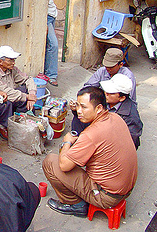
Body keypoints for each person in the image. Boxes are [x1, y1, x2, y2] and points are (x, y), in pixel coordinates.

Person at [43, 86, 138, 217]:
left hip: (107, 197)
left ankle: (75, 205)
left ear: (99, 108)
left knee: (50, 161)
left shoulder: (91, 134)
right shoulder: (116, 118)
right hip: (125, 190)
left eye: (84, 107)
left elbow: (64, 165)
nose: (79, 111)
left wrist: (67, 142)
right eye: (77, 106)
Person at [71, 47, 137, 134]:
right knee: (80, 115)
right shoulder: (102, 71)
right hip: (106, 106)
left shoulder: (127, 78)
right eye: (106, 66)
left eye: (111, 67)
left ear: (120, 64)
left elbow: (129, 101)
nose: (108, 69)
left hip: (116, 110)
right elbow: (88, 87)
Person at [0, 45, 37, 112]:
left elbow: (27, 79)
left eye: (14, 60)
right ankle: (5, 122)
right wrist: (27, 97)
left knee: (24, 89)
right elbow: (5, 92)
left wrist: (32, 94)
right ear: (0, 62)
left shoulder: (11, 69)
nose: (13, 63)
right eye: (10, 60)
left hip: (8, 95)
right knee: (6, 101)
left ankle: (23, 116)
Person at [100, 74, 143, 149]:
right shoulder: (106, 101)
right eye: (106, 91)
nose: (106, 94)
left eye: (111, 93)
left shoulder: (130, 117)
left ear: (122, 98)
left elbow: (130, 141)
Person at [38, 0, 61, 87]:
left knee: (49, 45)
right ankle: (51, 75)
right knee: (54, 44)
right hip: (46, 18)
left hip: (51, 16)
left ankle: (48, 73)